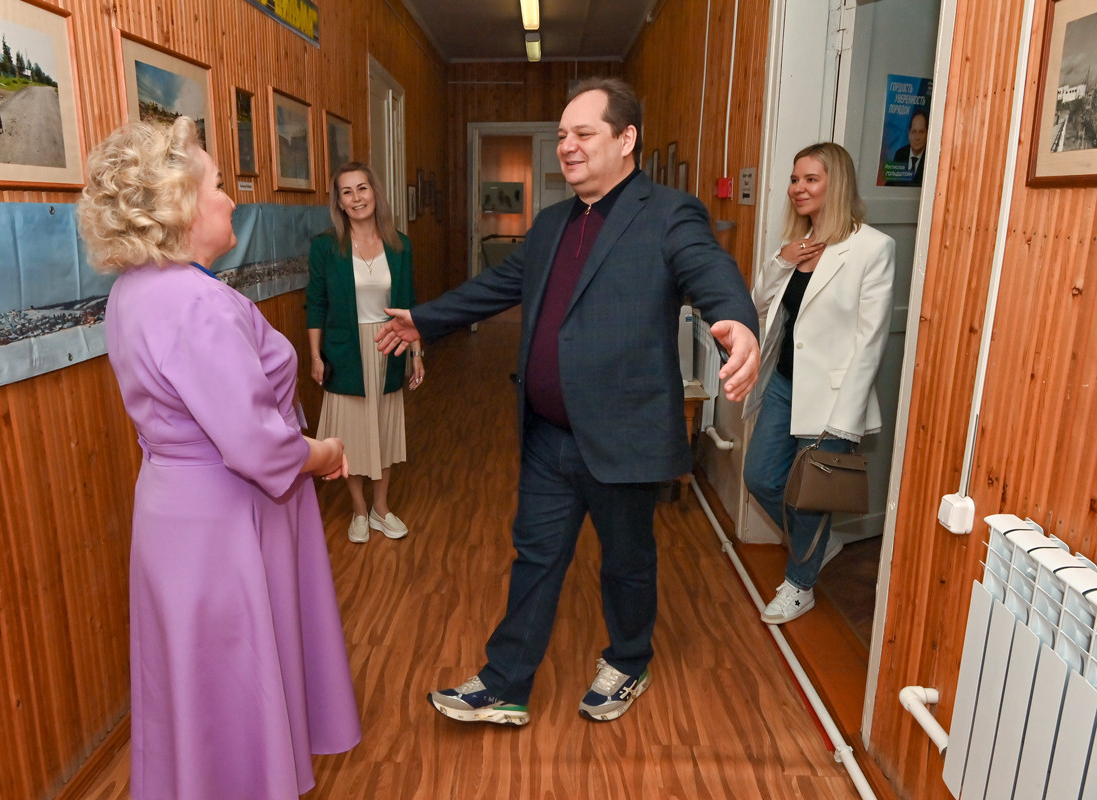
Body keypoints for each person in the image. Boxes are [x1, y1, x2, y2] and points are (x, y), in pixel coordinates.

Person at [375, 77, 760, 726]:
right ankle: (505, 685)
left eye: (583, 133)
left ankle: (628, 661)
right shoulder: (552, 223)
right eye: (561, 135)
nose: (567, 146)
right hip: (549, 434)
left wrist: (738, 320)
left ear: (626, 139)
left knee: (627, 563)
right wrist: (425, 318)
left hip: (623, 434)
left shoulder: (669, 214)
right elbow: (499, 284)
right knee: (536, 557)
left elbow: (710, 269)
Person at [76, 116, 360, 798]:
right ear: (182, 205)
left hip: (171, 509)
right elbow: (256, 444)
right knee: (235, 670)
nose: (231, 199)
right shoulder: (196, 301)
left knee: (195, 675)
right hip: (225, 518)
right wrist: (324, 453)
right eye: (219, 185)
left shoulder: (132, 291)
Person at [743, 142, 895, 625]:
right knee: (760, 477)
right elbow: (757, 306)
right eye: (795, 179)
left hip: (832, 397)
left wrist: (844, 422)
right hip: (783, 384)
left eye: (811, 179)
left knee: (811, 497)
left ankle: (799, 584)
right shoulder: (796, 244)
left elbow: (871, 341)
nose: (798, 188)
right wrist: (780, 261)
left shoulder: (872, 248)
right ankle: (818, 545)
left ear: (837, 183)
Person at [307, 161, 424, 543]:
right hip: (345, 350)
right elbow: (316, 303)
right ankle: (359, 509)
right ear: (339, 202)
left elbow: (408, 304)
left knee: (383, 430)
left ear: (375, 193)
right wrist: (315, 356)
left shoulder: (399, 244)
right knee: (352, 433)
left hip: (389, 344)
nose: (357, 198)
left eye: (362, 188)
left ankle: (381, 508)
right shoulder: (326, 247)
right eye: (347, 192)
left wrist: (416, 354)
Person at [886, 109, 928, 186]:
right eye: (914, 132)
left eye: (921, 132)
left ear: (927, 134)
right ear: (909, 134)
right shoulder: (900, 154)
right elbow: (891, 184)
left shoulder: (930, 158)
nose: (917, 137)